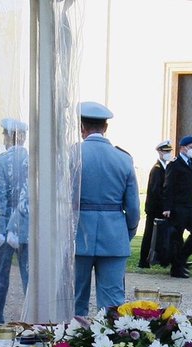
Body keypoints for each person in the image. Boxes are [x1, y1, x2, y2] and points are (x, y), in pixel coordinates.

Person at [73, 101, 140, 315]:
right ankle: (111, 346)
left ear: (81, 127)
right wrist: (126, 232)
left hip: (77, 233)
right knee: (112, 304)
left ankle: (71, 345)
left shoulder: (71, 155)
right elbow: (133, 208)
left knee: (74, 301)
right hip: (114, 234)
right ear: (105, 127)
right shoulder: (123, 158)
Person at [0, 118, 30, 323]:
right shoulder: (33, 160)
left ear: (8, 136)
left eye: (5, 134)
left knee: (1, 276)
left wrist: (0, 229)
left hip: (5, 227)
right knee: (28, 275)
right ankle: (33, 317)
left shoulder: (0, 161)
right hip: (28, 224)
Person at [161, 135, 192, 278]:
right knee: (177, 238)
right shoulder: (174, 164)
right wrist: (167, 207)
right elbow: (168, 187)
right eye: (191, 147)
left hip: (190, 206)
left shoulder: (191, 163)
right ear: (183, 148)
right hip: (178, 207)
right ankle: (176, 269)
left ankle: (180, 260)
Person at [139, 140, 172, 268]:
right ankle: (143, 260)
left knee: (156, 234)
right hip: (154, 208)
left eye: (169, 151)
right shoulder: (157, 169)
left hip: (157, 207)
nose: (168, 153)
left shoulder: (164, 167)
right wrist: (164, 207)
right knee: (149, 234)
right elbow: (156, 190)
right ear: (159, 152)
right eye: (165, 151)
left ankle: (157, 258)